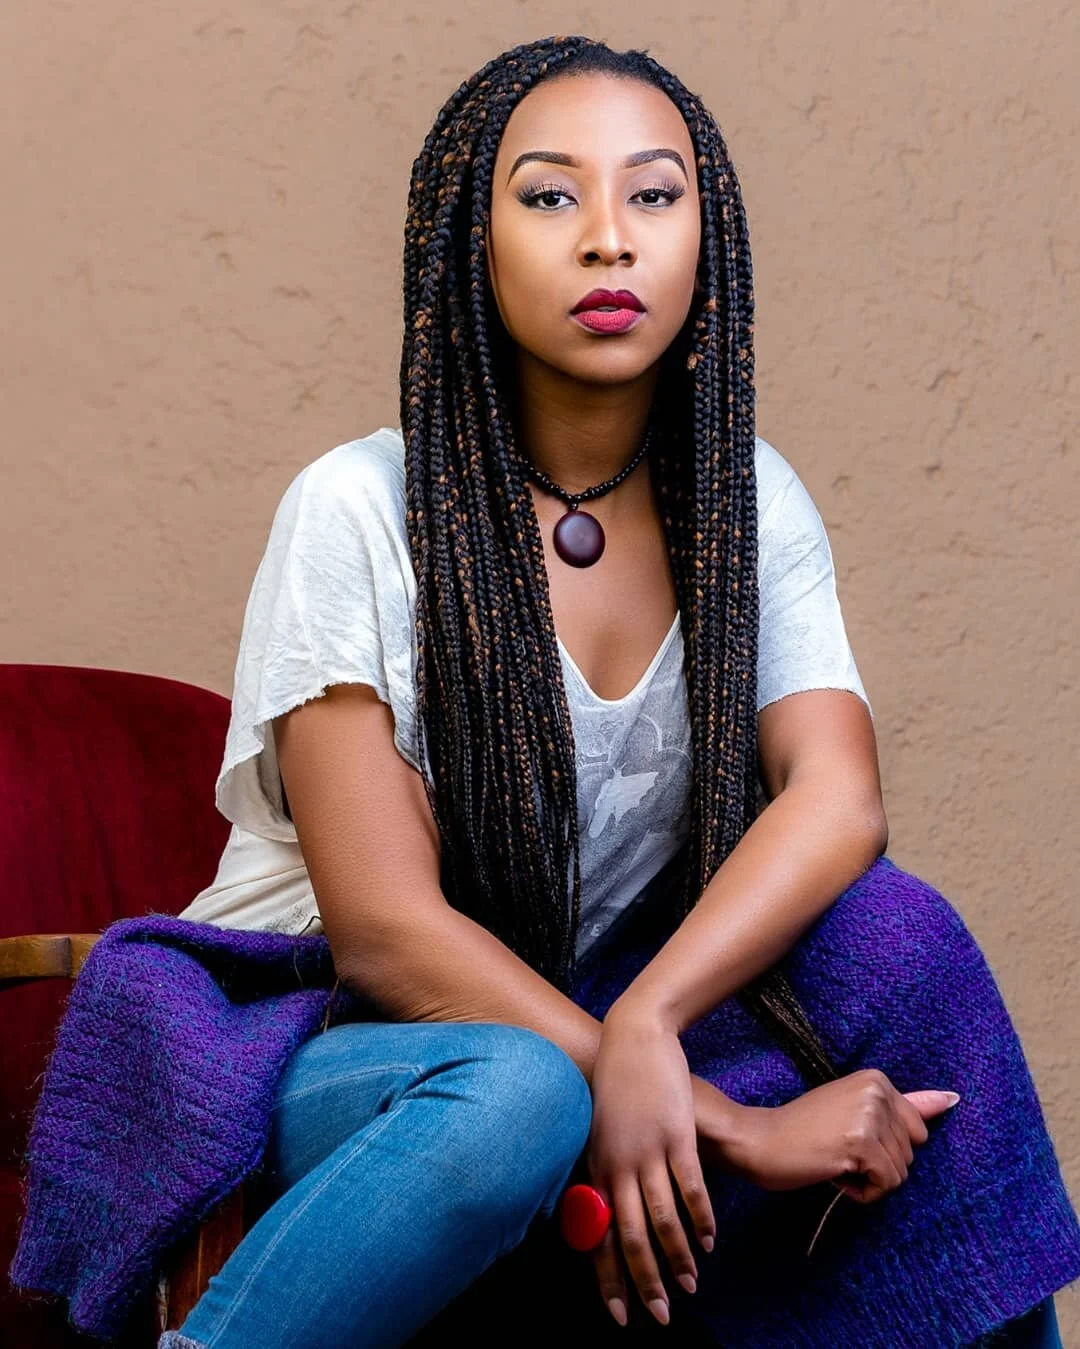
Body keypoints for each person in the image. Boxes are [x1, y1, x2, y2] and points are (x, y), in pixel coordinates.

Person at [160, 35, 1076, 1348]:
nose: (608, 239)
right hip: (325, 1036)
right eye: (548, 195)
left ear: (709, 241)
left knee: (901, 943)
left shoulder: (741, 500)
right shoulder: (357, 510)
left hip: (592, 992)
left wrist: (651, 1018)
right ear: (468, 245)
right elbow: (385, 936)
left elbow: (835, 793)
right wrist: (728, 1123)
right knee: (521, 1094)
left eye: (654, 194)